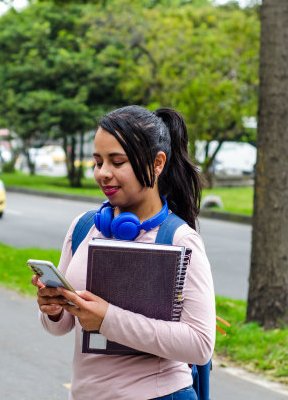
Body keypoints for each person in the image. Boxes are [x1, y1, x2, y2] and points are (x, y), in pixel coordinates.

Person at [31, 105, 216, 400]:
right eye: (98, 161)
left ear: (157, 164)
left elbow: (200, 344)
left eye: (118, 162)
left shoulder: (180, 239)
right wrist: (53, 310)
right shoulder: (83, 228)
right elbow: (63, 327)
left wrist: (107, 319)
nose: (103, 173)